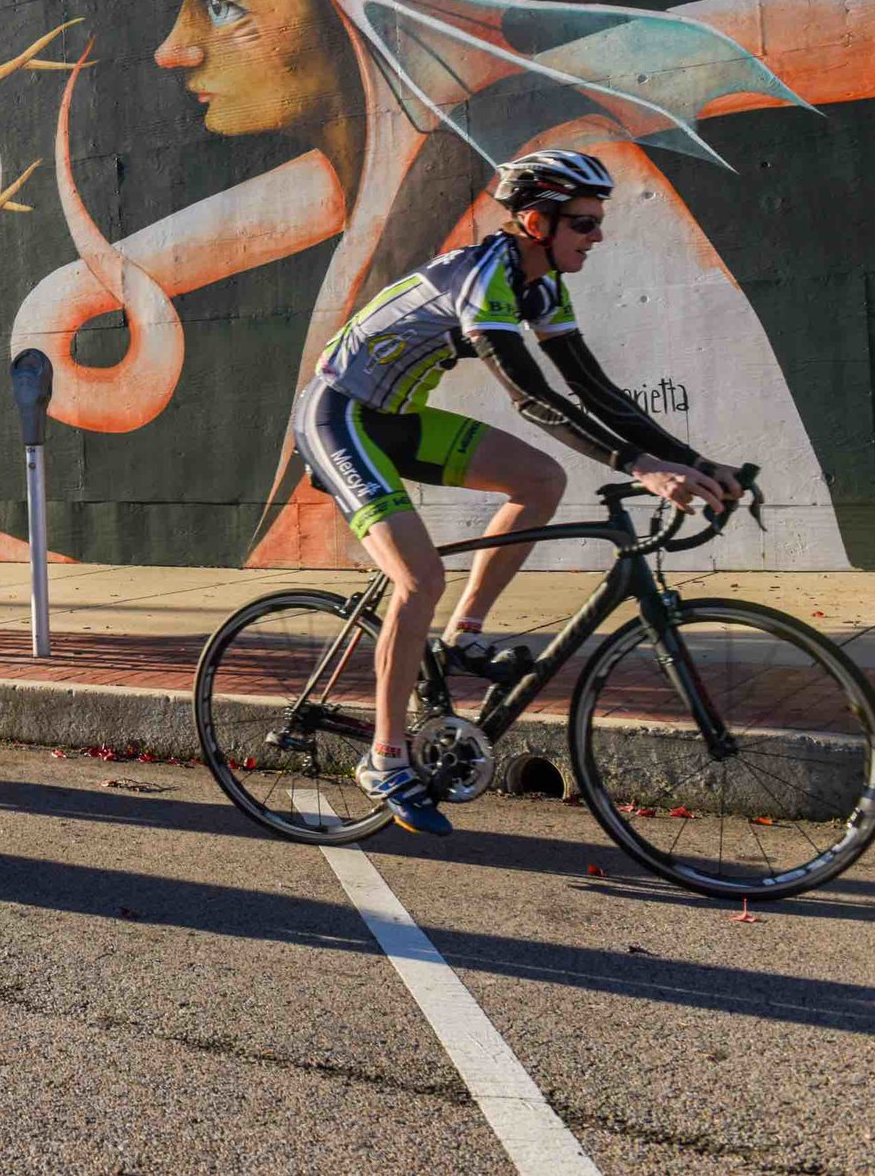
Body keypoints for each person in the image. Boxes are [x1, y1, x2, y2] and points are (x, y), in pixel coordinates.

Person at [292, 150, 743, 835]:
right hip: (340, 416)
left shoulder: (540, 288)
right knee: (418, 576)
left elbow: (595, 391)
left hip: (399, 419)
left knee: (542, 480)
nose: (597, 236)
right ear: (536, 221)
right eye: (584, 223)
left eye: (597, 222)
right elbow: (531, 398)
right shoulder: (482, 278)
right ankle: (384, 759)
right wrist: (642, 467)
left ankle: (463, 637)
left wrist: (694, 460)